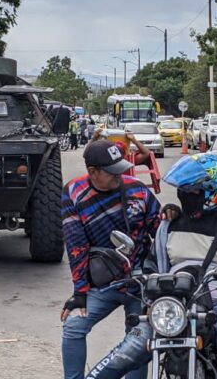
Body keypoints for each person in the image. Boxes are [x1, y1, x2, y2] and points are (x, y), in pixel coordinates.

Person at [86, 153, 217, 379]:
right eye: (182, 190)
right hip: (171, 303)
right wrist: (147, 294)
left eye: (192, 191)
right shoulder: (169, 223)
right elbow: (152, 265)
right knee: (129, 350)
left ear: (213, 191)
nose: (184, 195)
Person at [61, 139, 167, 379]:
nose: (119, 176)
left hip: (141, 281)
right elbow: (76, 246)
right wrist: (80, 292)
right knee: (74, 326)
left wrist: (171, 215)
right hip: (104, 283)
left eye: (120, 169)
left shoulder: (138, 190)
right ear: (92, 172)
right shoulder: (74, 193)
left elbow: (161, 233)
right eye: (111, 172)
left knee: (138, 338)